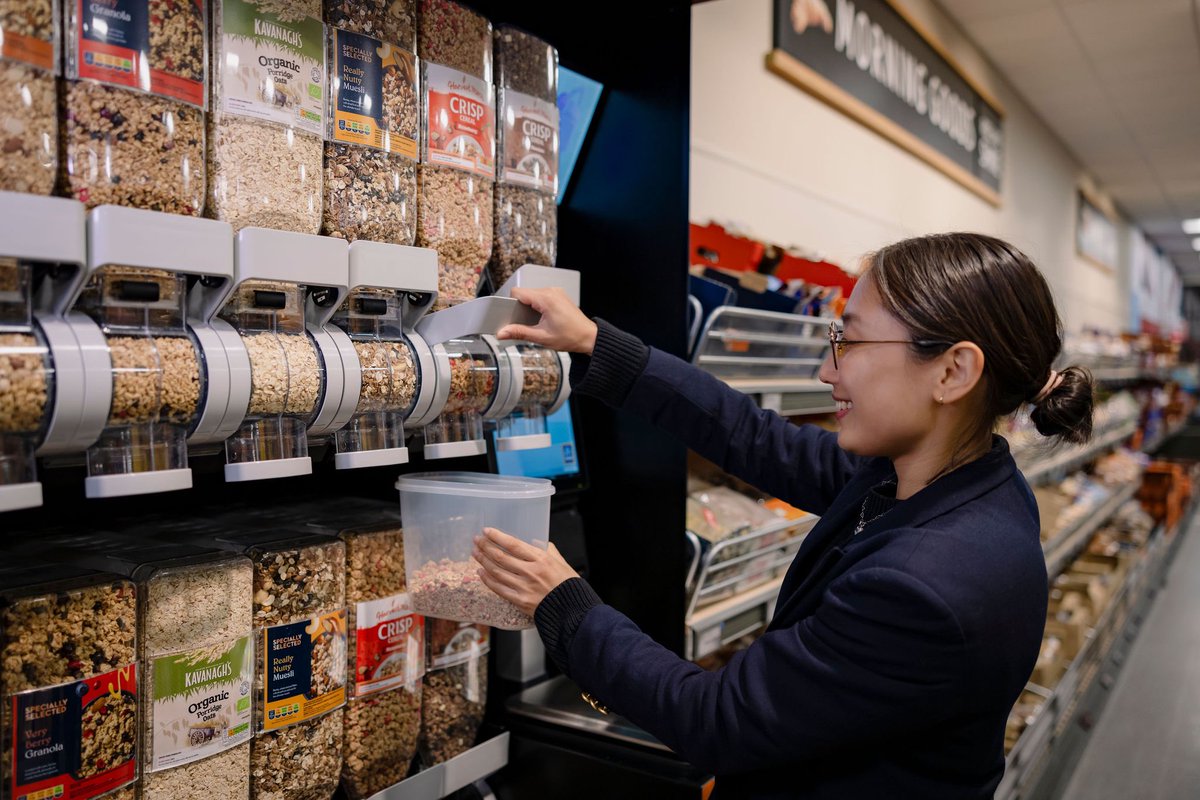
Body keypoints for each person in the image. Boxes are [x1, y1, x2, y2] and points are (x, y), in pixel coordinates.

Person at [472, 233, 1094, 799]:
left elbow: (716, 720)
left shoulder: (927, 584)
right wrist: (597, 344)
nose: (827, 370)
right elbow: (756, 438)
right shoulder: (946, 477)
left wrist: (563, 603)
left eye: (850, 341)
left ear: (954, 371)